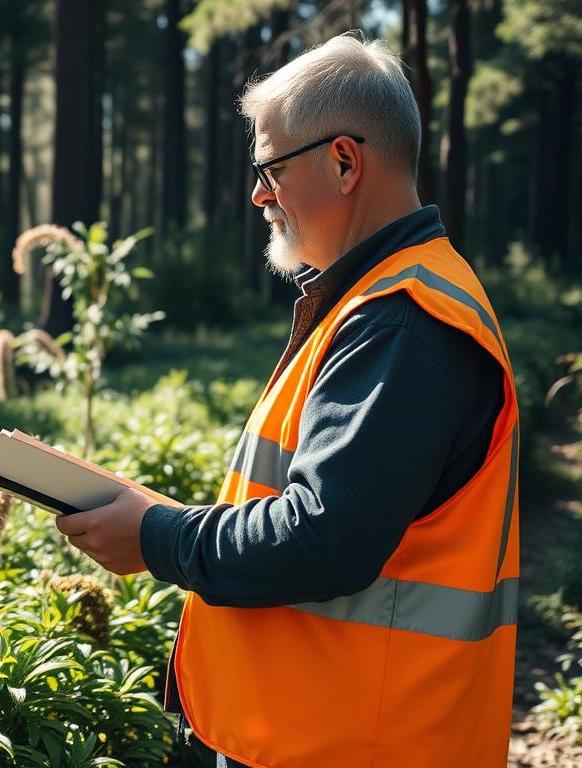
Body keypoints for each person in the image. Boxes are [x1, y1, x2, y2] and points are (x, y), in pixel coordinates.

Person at [54, 32, 519, 768]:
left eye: (269, 168)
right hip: (331, 733)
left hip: (354, 744)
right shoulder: (386, 300)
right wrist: (157, 520)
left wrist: (158, 538)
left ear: (344, 161)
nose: (257, 194)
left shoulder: (402, 321)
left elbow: (322, 538)